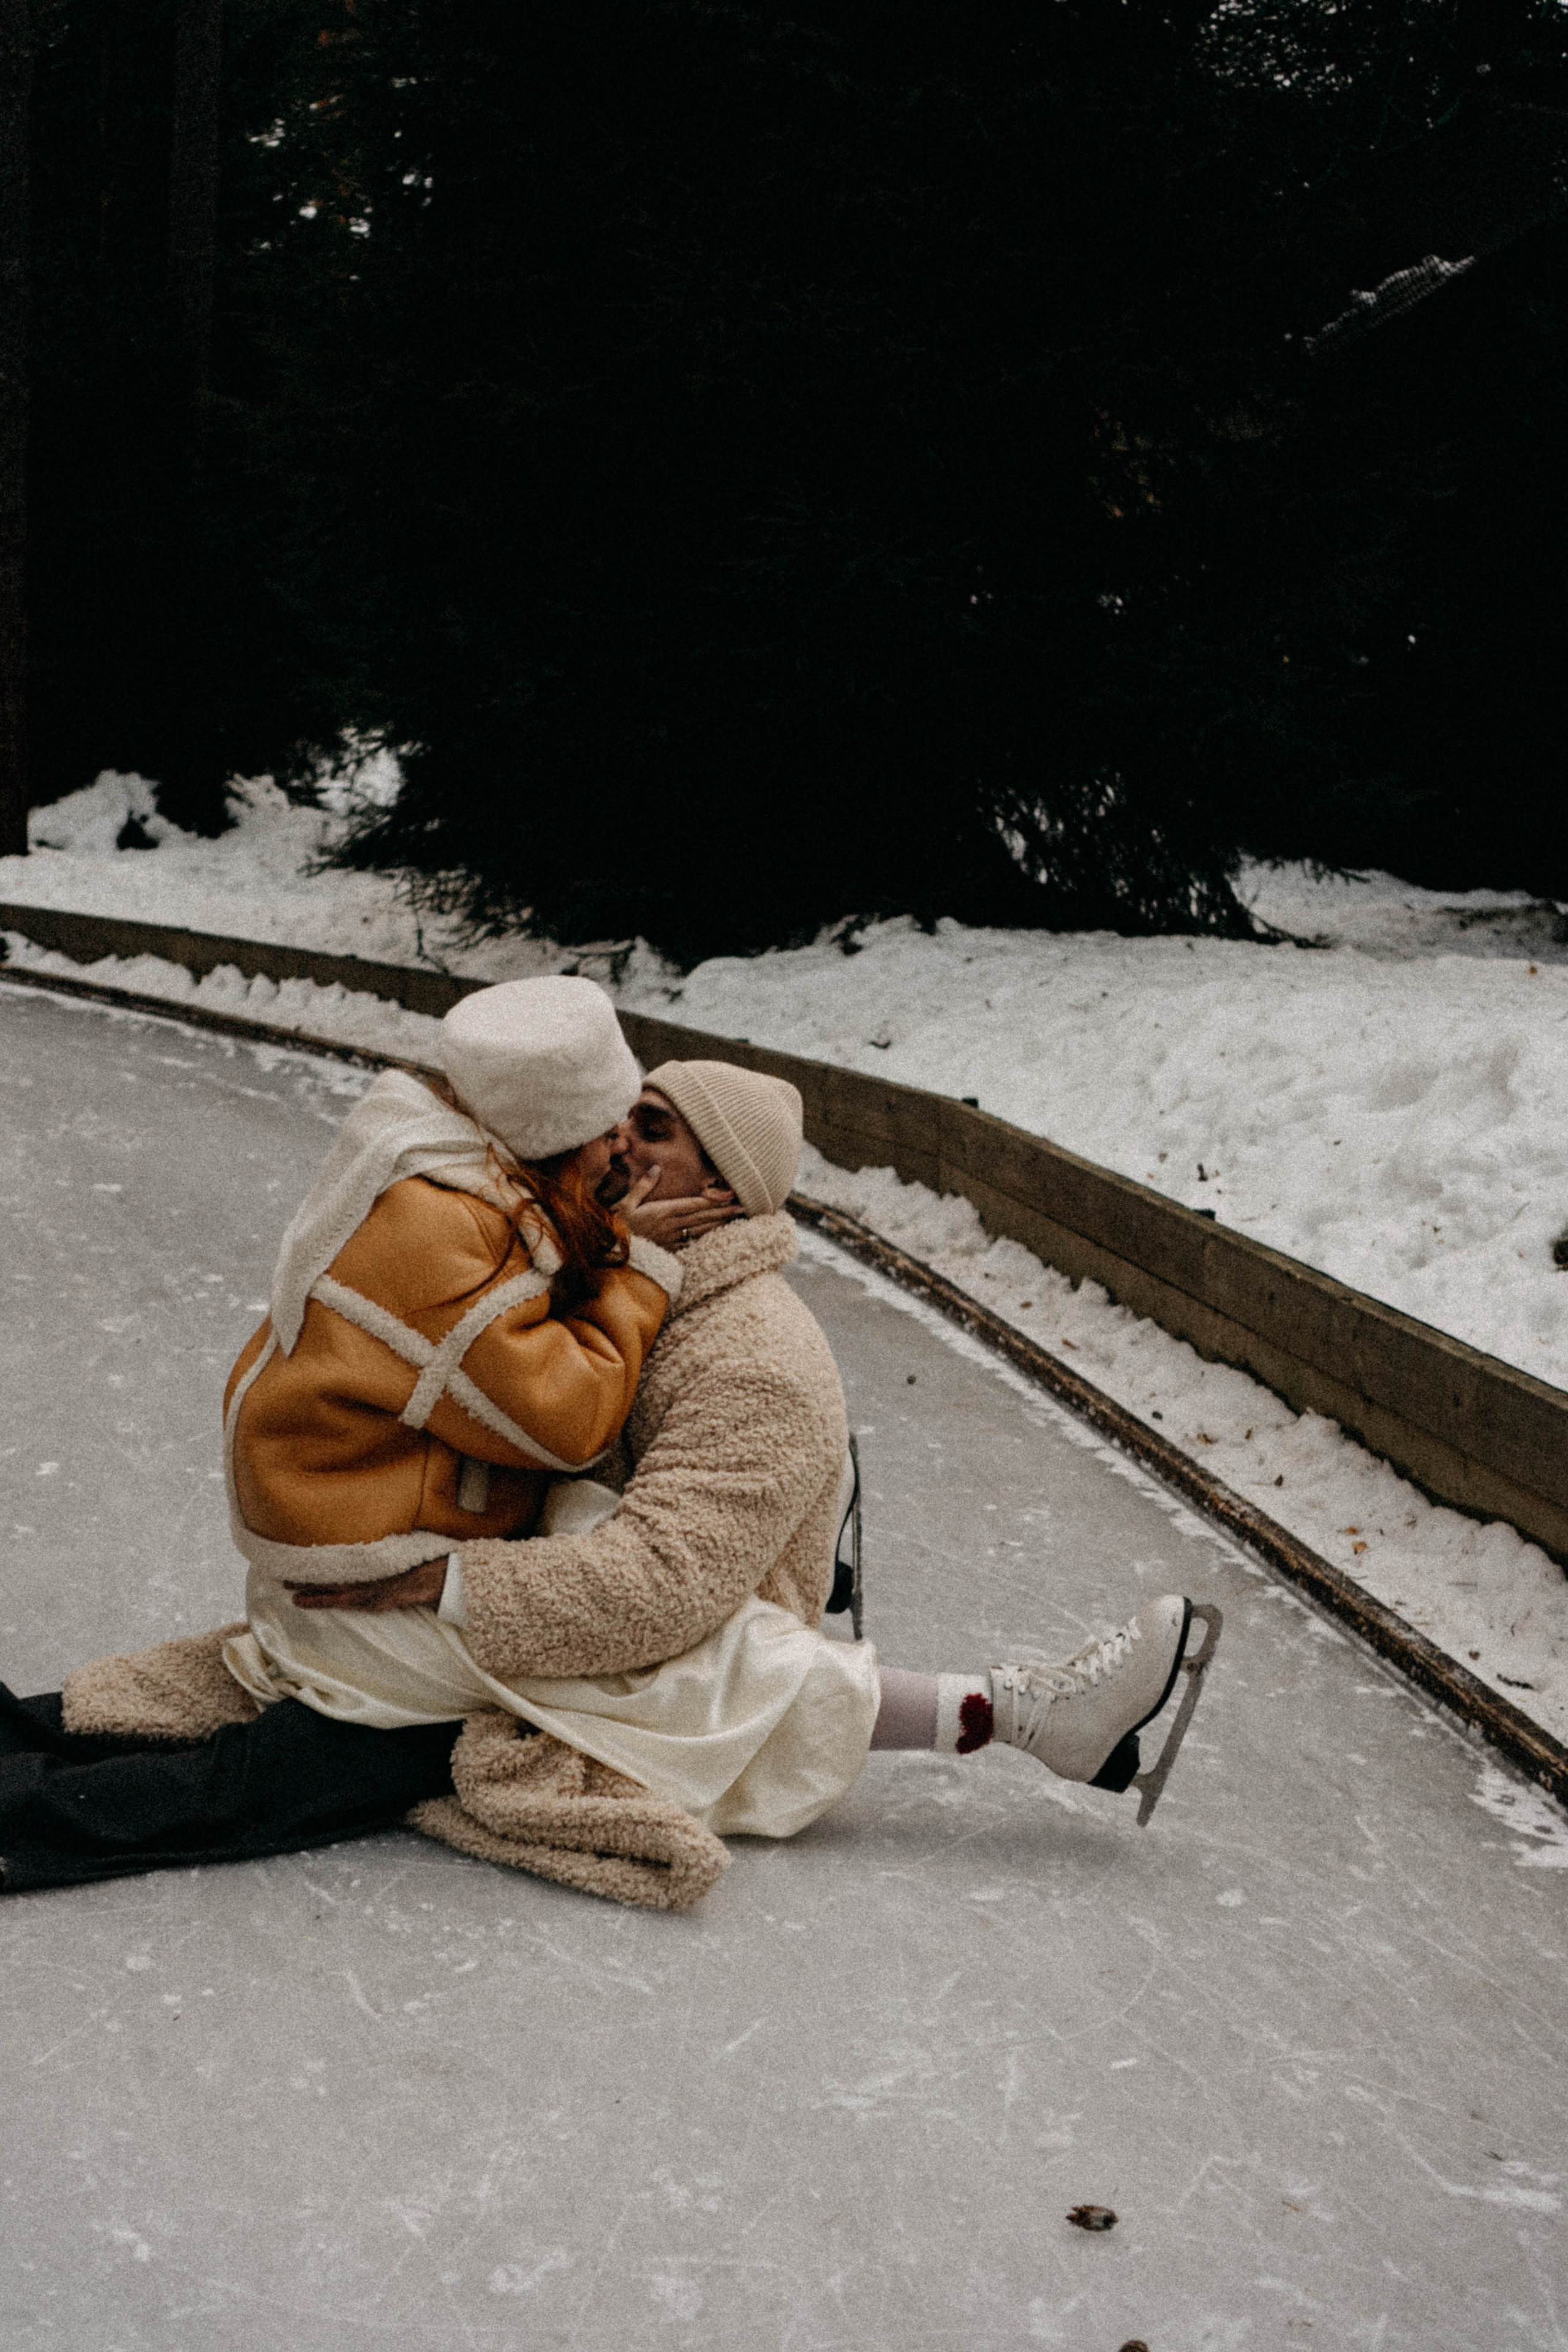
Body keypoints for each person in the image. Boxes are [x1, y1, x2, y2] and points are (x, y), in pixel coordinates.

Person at [1, 1057, 1214, 1907]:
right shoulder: (611, 1267)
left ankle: (1024, 1712)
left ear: (722, 1187)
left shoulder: (756, 1357)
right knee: (243, 1673)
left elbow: (659, 1589)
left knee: (305, 1758)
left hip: (631, 1651)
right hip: (530, 1610)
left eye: (652, 1128)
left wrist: (443, 1584)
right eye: (618, 1120)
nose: (616, 1144)